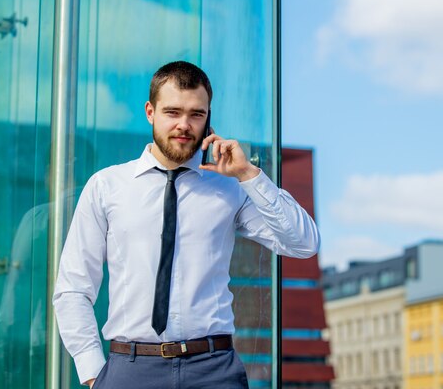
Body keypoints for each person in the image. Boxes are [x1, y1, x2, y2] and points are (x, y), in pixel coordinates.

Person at [52, 61, 320, 388]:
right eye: (172, 112)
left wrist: (250, 175)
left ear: (208, 117)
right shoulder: (107, 186)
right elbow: (73, 288)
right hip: (130, 368)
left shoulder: (230, 188)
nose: (184, 125)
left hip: (214, 370)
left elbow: (303, 244)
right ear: (150, 112)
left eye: (196, 114)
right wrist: (94, 371)